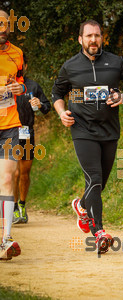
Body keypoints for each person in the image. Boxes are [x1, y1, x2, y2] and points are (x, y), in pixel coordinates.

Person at [52, 19, 123, 254]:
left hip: (109, 131)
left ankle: (81, 205)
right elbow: (57, 93)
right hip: (82, 130)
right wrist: (62, 113)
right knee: (93, 178)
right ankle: (100, 232)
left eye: (97, 35)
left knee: (100, 182)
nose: (94, 40)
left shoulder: (115, 62)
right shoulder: (70, 66)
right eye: (89, 36)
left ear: (102, 38)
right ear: (80, 39)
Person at [0, 9, 26, 260]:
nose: (3, 27)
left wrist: (20, 87)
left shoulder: (16, 53)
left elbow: (21, 81)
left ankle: (4, 240)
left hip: (9, 125)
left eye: (6, 23)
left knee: (8, 177)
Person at [13, 53, 51, 224]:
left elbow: (47, 107)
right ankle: (12, 208)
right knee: (12, 173)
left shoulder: (33, 86)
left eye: (21, 64)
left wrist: (40, 104)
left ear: (25, 66)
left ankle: (22, 205)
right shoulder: (4, 85)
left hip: (27, 133)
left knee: (24, 174)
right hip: (8, 133)